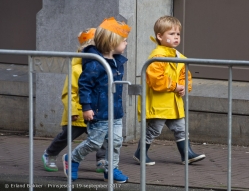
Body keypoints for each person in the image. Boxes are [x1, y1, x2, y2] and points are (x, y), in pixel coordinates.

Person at [62, 17, 131, 183]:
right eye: (124, 41)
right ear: (112, 42)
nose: (126, 44)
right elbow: (84, 85)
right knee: (94, 142)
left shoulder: (116, 60)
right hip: (98, 111)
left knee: (115, 142)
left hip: (115, 111)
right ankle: (72, 159)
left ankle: (111, 168)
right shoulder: (95, 63)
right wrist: (86, 107)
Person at [133, 15, 206, 166]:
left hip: (173, 103)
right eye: (171, 34)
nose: (176, 37)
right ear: (160, 36)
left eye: (178, 34)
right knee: (154, 130)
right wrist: (175, 86)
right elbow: (156, 79)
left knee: (181, 128)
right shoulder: (157, 56)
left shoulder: (179, 56)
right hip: (159, 103)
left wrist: (184, 87)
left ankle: (187, 154)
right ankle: (140, 153)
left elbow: (185, 75)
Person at [42, 28, 106, 173]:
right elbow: (69, 92)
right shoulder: (77, 68)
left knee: (102, 136)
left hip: (95, 111)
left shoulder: (100, 66)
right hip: (78, 111)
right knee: (66, 136)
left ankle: (102, 160)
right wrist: (73, 109)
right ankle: (50, 154)